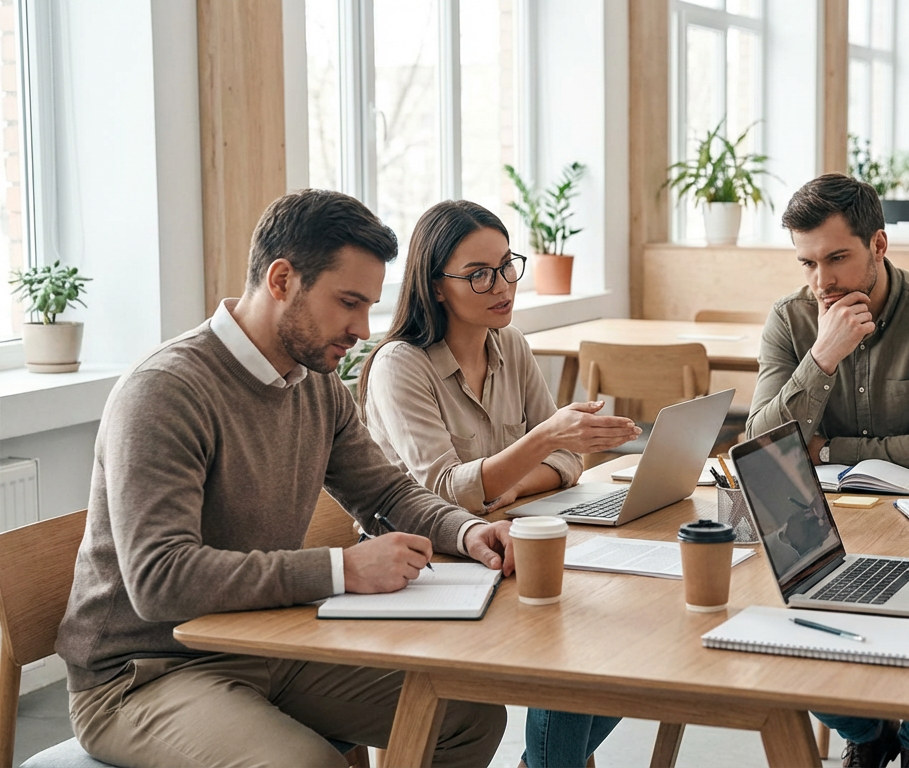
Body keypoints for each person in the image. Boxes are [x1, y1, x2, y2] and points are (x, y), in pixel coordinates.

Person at [55, 190, 514, 767]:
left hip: (267, 641)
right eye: (348, 302)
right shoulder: (165, 391)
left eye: (369, 306)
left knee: (467, 715)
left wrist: (467, 531)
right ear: (281, 280)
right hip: (144, 674)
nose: (362, 329)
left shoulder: (315, 381)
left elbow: (386, 492)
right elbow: (159, 579)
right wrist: (342, 569)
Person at [359, 199, 636, 768]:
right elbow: (441, 490)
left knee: (624, 638)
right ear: (436, 287)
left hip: (500, 547)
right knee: (576, 648)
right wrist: (541, 441)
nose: (503, 284)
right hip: (425, 565)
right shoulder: (400, 365)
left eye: (507, 264)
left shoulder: (509, 344)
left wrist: (509, 487)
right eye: (479, 274)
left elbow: (569, 461)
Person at [746, 173, 909, 766]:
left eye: (836, 259)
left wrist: (828, 450)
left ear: (878, 244)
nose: (821, 282)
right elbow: (762, 443)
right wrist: (823, 355)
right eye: (807, 263)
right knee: (767, 624)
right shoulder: (791, 319)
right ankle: (866, 731)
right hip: (821, 523)